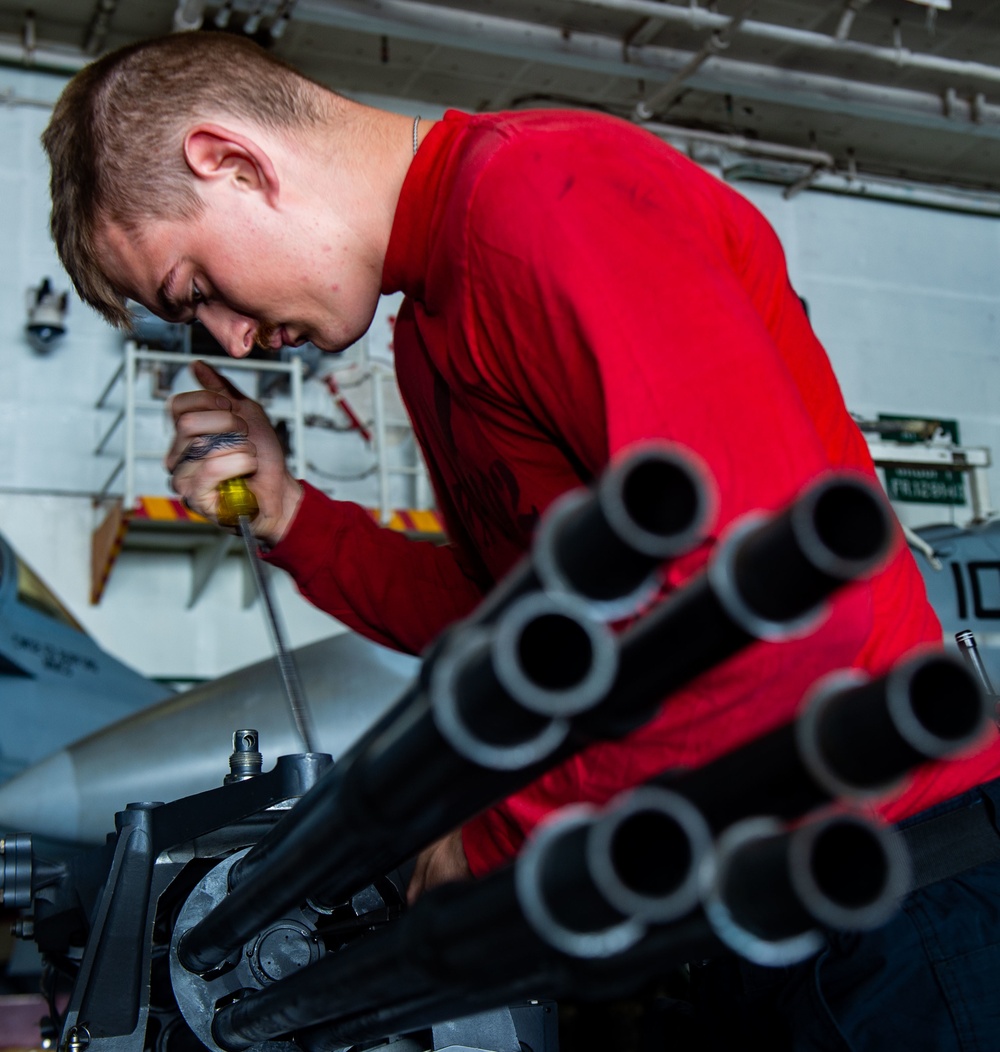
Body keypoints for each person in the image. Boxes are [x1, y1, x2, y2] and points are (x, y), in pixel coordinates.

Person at [42, 31, 1000, 1049]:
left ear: (228, 159)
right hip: (747, 920)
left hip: (894, 901)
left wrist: (506, 833)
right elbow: (514, 625)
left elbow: (767, 607)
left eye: (193, 288)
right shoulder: (430, 329)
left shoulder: (547, 198)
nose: (230, 339)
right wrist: (289, 512)